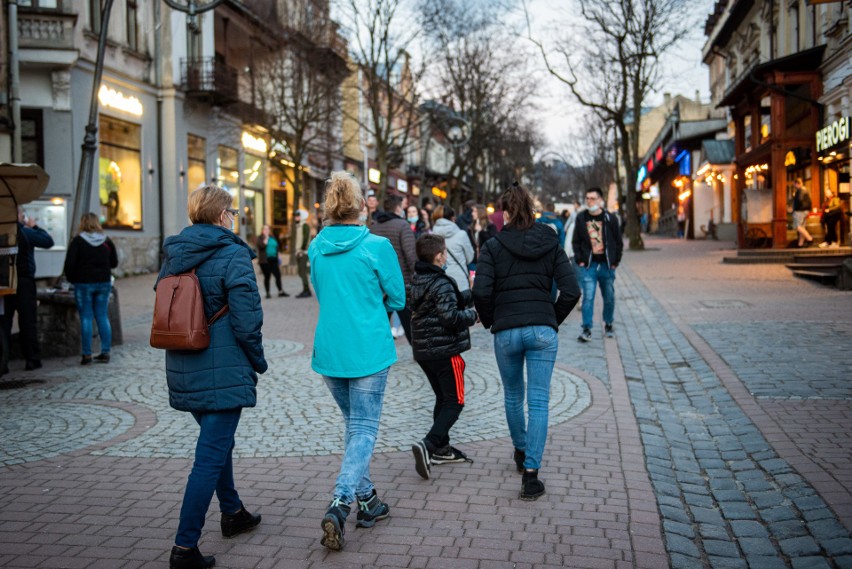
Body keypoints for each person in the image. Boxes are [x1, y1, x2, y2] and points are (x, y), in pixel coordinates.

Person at [158, 185, 267, 569]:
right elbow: (247, 318)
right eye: (232, 213)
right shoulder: (233, 253)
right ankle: (184, 548)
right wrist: (257, 360)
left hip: (183, 362)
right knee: (208, 457)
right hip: (223, 366)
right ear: (222, 216)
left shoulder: (174, 253)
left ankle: (233, 512)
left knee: (216, 444)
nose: (233, 218)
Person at [309, 171, 405, 551]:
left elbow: (321, 292)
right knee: (363, 428)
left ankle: (369, 502)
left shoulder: (316, 246)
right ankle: (341, 501)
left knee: (354, 427)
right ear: (362, 205)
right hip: (367, 348)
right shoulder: (376, 246)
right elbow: (397, 298)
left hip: (330, 349)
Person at [472, 182, 580, 500]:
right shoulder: (551, 242)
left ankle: (520, 451)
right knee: (539, 402)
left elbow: (480, 291)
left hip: (506, 331)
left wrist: (492, 320)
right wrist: (551, 318)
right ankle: (531, 475)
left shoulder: (492, 246)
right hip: (542, 330)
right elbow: (571, 290)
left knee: (512, 396)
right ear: (532, 210)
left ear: (505, 213)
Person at [409, 233, 478, 480]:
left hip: (426, 352)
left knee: (442, 397)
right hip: (445, 350)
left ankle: (442, 448)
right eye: (446, 252)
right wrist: (474, 316)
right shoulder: (441, 282)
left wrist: (473, 295)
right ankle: (428, 445)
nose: (447, 256)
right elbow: (451, 317)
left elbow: (449, 302)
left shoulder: (421, 279)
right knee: (455, 401)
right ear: (439, 256)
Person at [63, 213, 118, 365]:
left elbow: (69, 264)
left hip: (83, 283)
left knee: (86, 317)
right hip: (103, 282)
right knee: (102, 316)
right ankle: (105, 352)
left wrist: (72, 279)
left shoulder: (78, 241)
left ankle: (87, 354)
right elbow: (114, 262)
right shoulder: (106, 241)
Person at [3, 207, 54, 371]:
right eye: (21, 214)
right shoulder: (26, 231)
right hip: (24, 281)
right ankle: (32, 359)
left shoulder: (3, 232)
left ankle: (3, 362)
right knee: (27, 322)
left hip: (4, 283)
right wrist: (35, 227)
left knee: (4, 323)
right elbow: (48, 241)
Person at [572, 187, 623, 342]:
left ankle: (608, 323)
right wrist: (580, 260)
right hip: (589, 265)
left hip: (607, 265)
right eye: (587, 198)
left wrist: (615, 262)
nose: (589, 201)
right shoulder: (581, 218)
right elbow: (576, 241)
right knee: (588, 297)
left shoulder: (610, 218)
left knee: (609, 297)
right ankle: (586, 328)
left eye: (592, 198)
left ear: (600, 200)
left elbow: (618, 242)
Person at [370, 194, 417, 343]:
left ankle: (375, 352)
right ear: (398, 208)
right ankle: (418, 352)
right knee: (409, 321)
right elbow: (410, 255)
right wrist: (416, 276)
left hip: (380, 283)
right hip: (401, 282)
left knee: (380, 321)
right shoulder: (403, 225)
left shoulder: (374, 227)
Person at [431, 205, 474, 292]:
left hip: (438, 281)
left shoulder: (431, 235)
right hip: (459, 282)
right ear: (453, 218)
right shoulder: (461, 234)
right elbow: (470, 258)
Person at [256, 225, 288, 299]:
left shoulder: (273, 237)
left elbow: (277, 247)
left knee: (278, 275)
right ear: (262, 230)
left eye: (268, 229)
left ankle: (280, 291)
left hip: (274, 260)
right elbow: (261, 246)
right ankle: (267, 293)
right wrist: (266, 238)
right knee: (267, 276)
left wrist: (279, 255)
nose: (267, 230)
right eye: (265, 229)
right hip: (265, 261)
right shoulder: (260, 238)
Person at [293, 210, 313, 297]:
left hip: (303, 252)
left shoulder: (304, 225)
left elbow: (305, 238)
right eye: (295, 216)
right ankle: (306, 289)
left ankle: (307, 290)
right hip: (299, 251)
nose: (296, 217)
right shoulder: (299, 226)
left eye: (298, 216)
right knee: (301, 272)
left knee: (303, 271)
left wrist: (301, 250)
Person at [791, 178, 814, 248]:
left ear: (797, 184)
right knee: (802, 227)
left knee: (798, 227)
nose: (795, 186)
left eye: (795, 184)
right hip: (805, 210)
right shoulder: (805, 190)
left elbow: (799, 200)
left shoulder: (801, 190)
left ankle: (809, 238)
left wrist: (794, 209)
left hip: (800, 211)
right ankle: (800, 244)